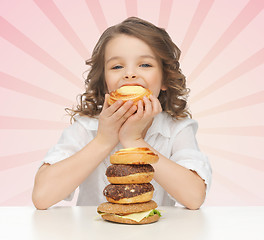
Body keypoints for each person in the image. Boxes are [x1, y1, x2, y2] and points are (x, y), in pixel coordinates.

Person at [32, 17, 212, 210]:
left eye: (145, 65)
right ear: (104, 82)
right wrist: (103, 139)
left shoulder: (177, 128)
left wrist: (135, 141)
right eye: (117, 66)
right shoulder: (86, 127)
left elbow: (194, 198)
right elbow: (42, 197)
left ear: (165, 80)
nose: (130, 74)